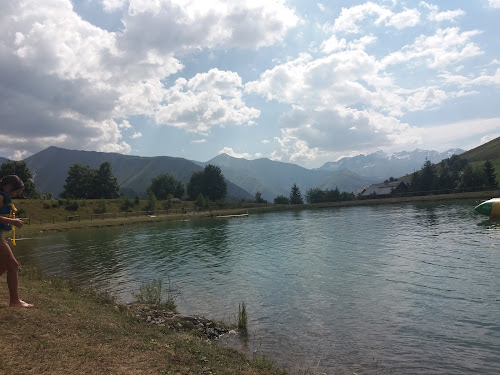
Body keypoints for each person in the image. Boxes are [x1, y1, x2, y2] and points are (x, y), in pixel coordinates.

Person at [0, 175, 33, 308]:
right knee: (13, 265)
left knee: (3, 266)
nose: (15, 195)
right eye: (16, 192)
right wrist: (11, 221)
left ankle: (15, 300)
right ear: (9, 187)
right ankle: (15, 301)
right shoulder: (1, 197)